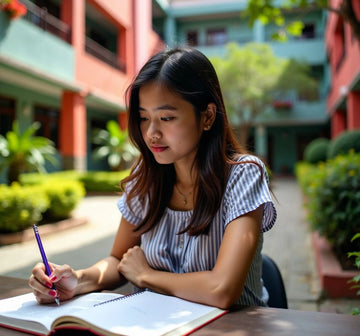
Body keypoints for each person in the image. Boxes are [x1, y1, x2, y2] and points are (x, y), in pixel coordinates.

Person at [29, 47, 276, 309]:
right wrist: (77, 281)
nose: (151, 133)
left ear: (207, 116)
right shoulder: (146, 177)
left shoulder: (243, 175)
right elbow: (118, 261)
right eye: (144, 118)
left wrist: (147, 275)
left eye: (167, 118)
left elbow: (221, 290)